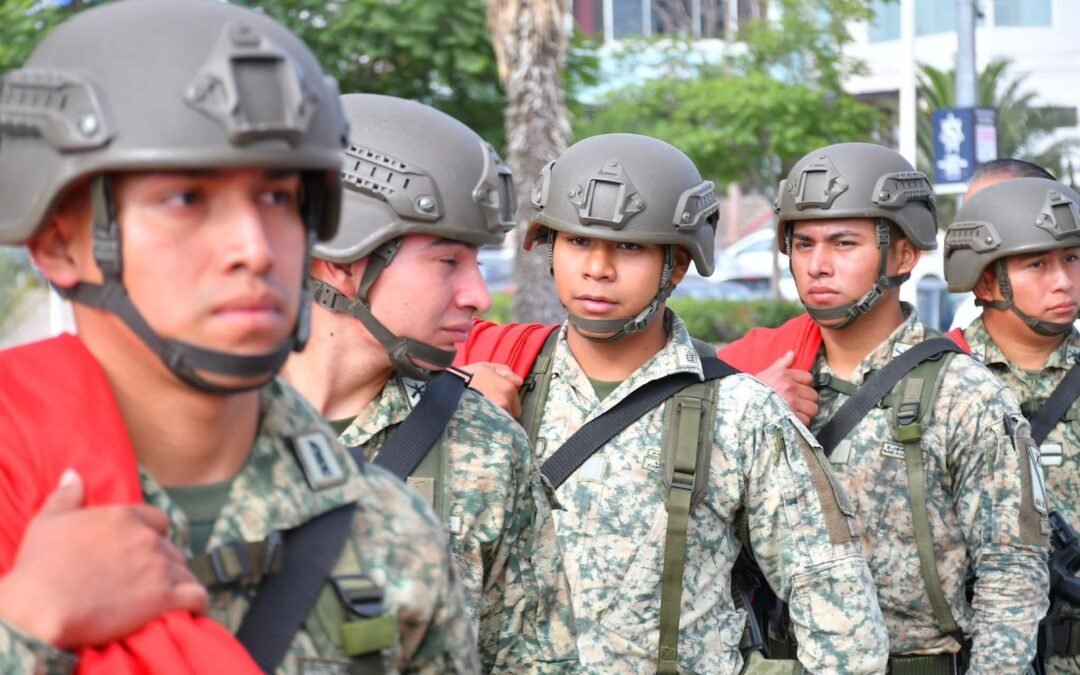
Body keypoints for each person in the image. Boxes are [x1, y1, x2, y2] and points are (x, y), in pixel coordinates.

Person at [0, 2, 477, 673]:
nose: (253, 248)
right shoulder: (16, 476)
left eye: (279, 199)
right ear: (59, 244)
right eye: (186, 199)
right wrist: (28, 625)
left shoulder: (391, 530)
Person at [455, 133, 889, 673]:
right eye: (577, 242)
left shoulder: (741, 413)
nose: (597, 268)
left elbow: (843, 625)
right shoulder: (494, 391)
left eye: (630, 247)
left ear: (677, 265)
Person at [719, 142, 1050, 672]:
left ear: (903, 255)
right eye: (803, 245)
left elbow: (1012, 571)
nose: (818, 265)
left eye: (844, 243)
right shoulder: (766, 384)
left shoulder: (961, 392)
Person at [281, 93, 578, 673]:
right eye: (447, 262)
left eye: (477, 263)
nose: (478, 296)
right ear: (345, 259)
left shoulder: (488, 445)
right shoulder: (189, 428)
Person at [944, 176, 1080, 674]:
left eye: (1072, 258)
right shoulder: (938, 380)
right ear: (985, 280)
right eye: (1037, 264)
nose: (1063, 280)